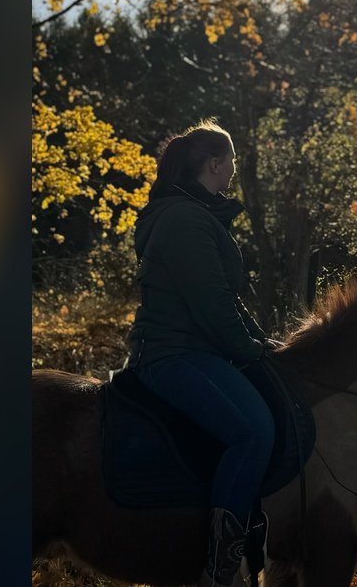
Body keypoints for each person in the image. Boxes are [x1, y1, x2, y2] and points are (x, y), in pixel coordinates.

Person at [124, 118, 274, 587]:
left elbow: (226, 299)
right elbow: (211, 306)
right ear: (213, 164)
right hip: (173, 353)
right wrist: (246, 349)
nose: (234, 169)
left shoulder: (191, 214)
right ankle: (219, 571)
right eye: (231, 161)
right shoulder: (185, 220)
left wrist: (264, 344)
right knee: (254, 432)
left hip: (191, 348)